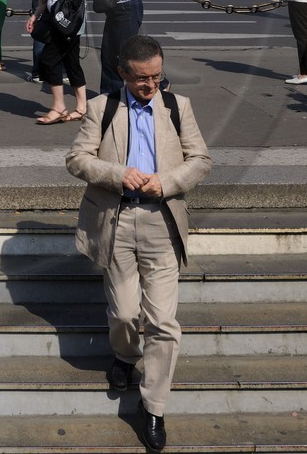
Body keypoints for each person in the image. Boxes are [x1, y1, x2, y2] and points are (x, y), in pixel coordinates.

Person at [66, 34, 212, 454]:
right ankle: (126, 356)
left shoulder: (177, 107)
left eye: (157, 76)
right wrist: (117, 174)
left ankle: (154, 407)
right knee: (126, 313)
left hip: (162, 222)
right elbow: (77, 159)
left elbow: (200, 160)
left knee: (164, 322)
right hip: (116, 220)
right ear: (123, 73)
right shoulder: (102, 108)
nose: (152, 84)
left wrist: (165, 182)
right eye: (143, 78)